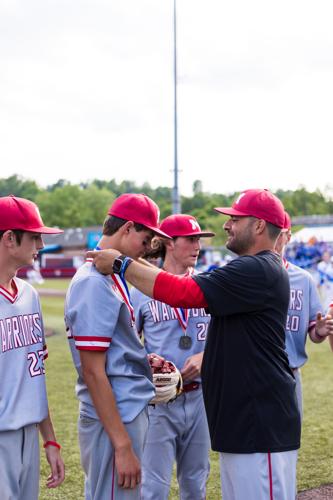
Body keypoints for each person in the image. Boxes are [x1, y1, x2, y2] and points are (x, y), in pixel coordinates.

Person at [87, 188, 301, 500]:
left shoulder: (256, 267)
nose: (227, 225)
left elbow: (181, 294)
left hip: (260, 423)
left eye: (235, 219)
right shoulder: (257, 268)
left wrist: (121, 264)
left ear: (258, 226)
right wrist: (132, 261)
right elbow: (180, 284)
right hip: (246, 421)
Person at [65, 193, 171, 500]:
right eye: (146, 237)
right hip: (114, 417)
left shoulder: (111, 275)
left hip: (122, 409)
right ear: (127, 228)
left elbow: (110, 354)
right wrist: (122, 445)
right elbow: (93, 372)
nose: (149, 246)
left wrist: (138, 357)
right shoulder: (93, 281)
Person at [132, 214, 214, 500]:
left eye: (198, 240)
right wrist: (147, 368)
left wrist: (205, 355)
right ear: (168, 243)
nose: (197, 246)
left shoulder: (208, 285)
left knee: (195, 483)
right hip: (159, 403)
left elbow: (226, 339)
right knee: (153, 486)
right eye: (190, 239)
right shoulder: (142, 291)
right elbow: (129, 348)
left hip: (201, 398)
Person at [0, 195, 65, 500]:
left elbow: (34, 375)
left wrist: (49, 440)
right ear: (9, 238)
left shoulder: (29, 294)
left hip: (29, 434)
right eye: (35, 237)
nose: (40, 246)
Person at [275, 212, 332, 416]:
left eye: (279, 233)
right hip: (252, 374)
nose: (273, 239)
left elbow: (314, 334)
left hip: (290, 373)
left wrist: (320, 330)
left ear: (288, 237)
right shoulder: (242, 276)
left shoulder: (303, 279)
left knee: (289, 441)